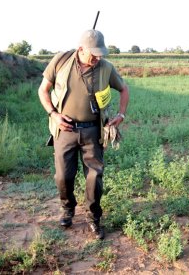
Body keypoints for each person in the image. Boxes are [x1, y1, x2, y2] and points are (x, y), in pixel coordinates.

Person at [38, 29, 129, 239]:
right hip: (65, 130)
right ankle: (67, 208)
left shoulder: (106, 68)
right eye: (93, 54)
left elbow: (124, 89)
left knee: (94, 177)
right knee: (63, 176)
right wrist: (54, 114)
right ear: (81, 49)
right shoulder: (61, 61)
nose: (98, 58)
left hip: (93, 131)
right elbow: (43, 90)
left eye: (100, 54)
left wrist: (121, 115)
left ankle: (94, 217)